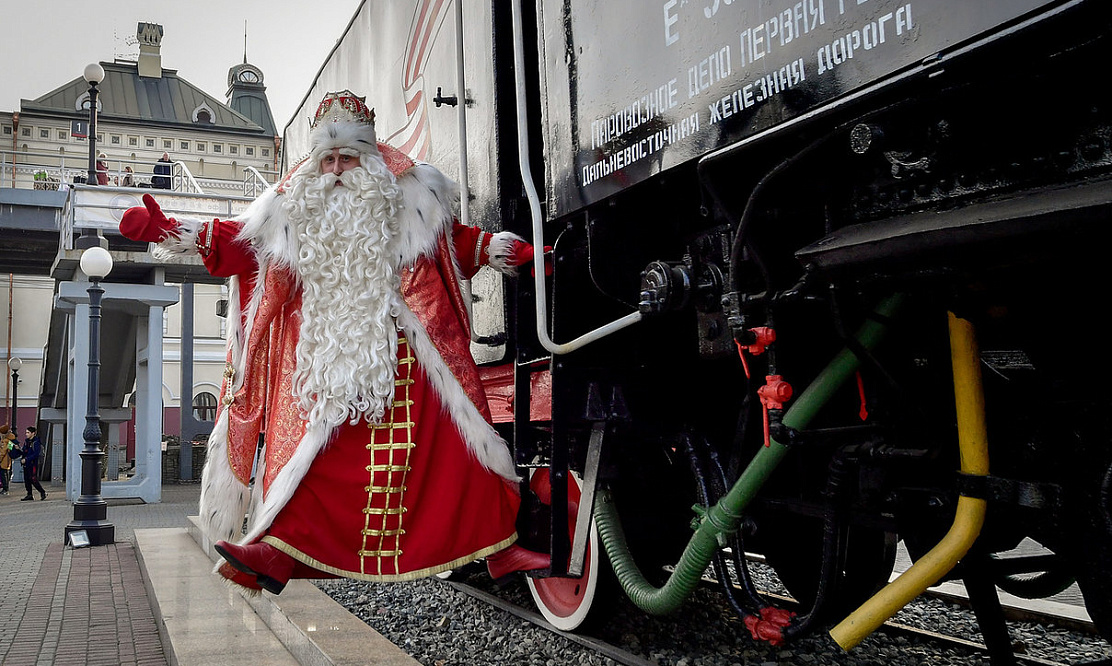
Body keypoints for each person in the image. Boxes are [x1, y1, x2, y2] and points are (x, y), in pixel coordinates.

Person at [120, 90, 549, 594]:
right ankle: (273, 551)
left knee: (461, 453)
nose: (338, 170)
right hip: (325, 362)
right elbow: (239, 242)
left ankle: (499, 547)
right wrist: (173, 229)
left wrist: (502, 250)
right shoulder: (291, 206)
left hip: (410, 357)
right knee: (308, 466)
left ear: (368, 157)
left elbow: (452, 241)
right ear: (314, 161)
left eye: (348, 157)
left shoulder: (406, 194)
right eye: (329, 159)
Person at [20, 426, 46, 501]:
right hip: (26, 463)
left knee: (33, 478)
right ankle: (29, 494)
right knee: (27, 479)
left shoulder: (36, 442)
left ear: (33, 433)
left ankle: (42, 492)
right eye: (26, 432)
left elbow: (36, 454)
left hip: (32, 463)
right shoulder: (26, 441)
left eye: (28, 432)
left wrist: (27, 459)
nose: (26, 434)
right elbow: (25, 451)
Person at [0, 425, 14, 496]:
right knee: (7, 474)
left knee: (3, 474)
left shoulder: (5, 441)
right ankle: (6, 488)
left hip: (4, 460)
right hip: (8, 459)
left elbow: (2, 452)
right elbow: (10, 449)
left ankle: (5, 489)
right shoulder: (10, 440)